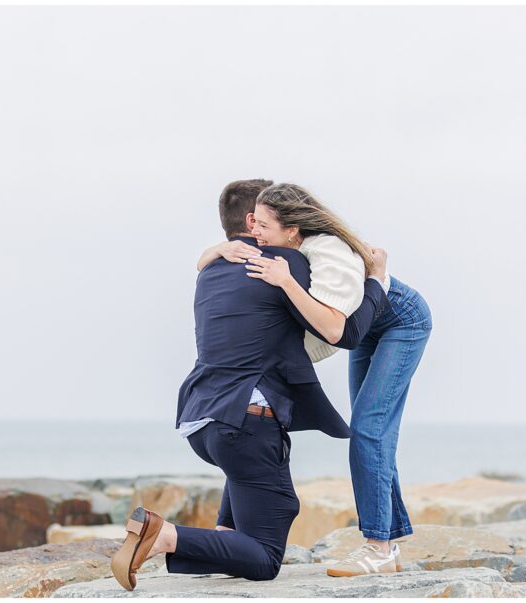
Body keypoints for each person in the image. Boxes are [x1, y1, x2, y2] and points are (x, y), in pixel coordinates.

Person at [110, 179, 389, 590]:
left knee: (239, 528)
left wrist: (212, 250)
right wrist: (376, 281)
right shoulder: (284, 267)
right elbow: (343, 331)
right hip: (245, 424)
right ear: (252, 219)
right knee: (264, 557)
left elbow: (218, 276)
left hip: (202, 421)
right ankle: (163, 534)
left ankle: (208, 540)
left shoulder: (211, 271)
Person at [200, 183, 432, 577]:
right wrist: (217, 251)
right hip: (366, 325)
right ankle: (229, 530)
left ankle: (378, 547)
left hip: (399, 323)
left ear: (292, 230)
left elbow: (337, 330)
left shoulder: (328, 250)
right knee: (263, 421)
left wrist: (286, 281)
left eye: (263, 224)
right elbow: (206, 262)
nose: (254, 230)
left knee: (369, 430)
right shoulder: (281, 246)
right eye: (253, 221)